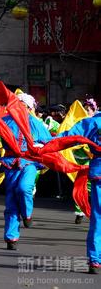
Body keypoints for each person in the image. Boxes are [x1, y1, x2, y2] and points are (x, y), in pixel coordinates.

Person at [0, 93, 52, 250]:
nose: (20, 108)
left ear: (30, 108)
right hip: (11, 164)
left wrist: (40, 148)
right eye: (18, 104)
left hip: (29, 163)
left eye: (24, 105)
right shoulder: (5, 122)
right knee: (11, 201)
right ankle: (11, 237)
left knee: (24, 188)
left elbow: (49, 142)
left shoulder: (35, 123)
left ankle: (27, 214)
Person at [57, 111, 100, 274]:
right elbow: (71, 136)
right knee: (99, 215)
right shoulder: (96, 122)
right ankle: (95, 259)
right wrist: (47, 143)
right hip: (100, 173)